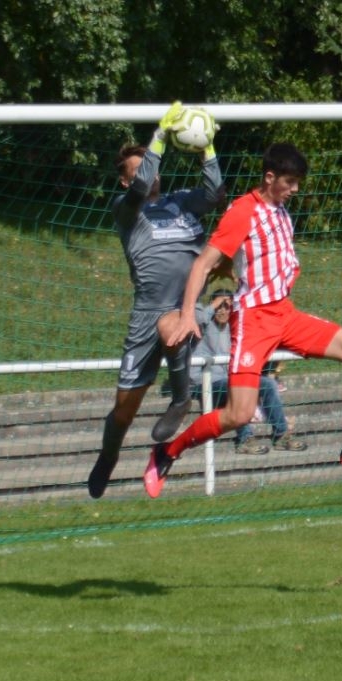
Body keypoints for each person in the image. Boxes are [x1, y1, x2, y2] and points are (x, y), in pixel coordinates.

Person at [144, 143, 342, 498]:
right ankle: (167, 452)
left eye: (298, 182)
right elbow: (201, 264)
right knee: (239, 415)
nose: (295, 189)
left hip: (285, 314)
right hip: (254, 321)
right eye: (289, 182)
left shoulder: (280, 211)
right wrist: (187, 315)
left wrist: (230, 265)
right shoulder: (242, 211)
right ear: (269, 177)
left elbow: (247, 256)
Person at [87, 103, 225, 499]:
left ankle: (181, 401)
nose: (149, 175)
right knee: (124, 409)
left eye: (150, 167)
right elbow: (139, 189)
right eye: (138, 170)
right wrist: (159, 138)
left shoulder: (180, 201)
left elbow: (215, 194)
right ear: (125, 180)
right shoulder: (126, 209)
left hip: (183, 308)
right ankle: (108, 455)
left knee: (173, 326)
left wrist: (207, 149)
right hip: (145, 315)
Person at [190, 289, 308, 454]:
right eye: (219, 306)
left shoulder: (235, 326)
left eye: (227, 306)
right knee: (235, 388)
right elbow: (198, 316)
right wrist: (215, 304)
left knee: (268, 384)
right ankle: (245, 439)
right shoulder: (203, 323)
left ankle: (281, 435)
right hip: (203, 382)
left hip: (226, 382)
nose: (223, 311)